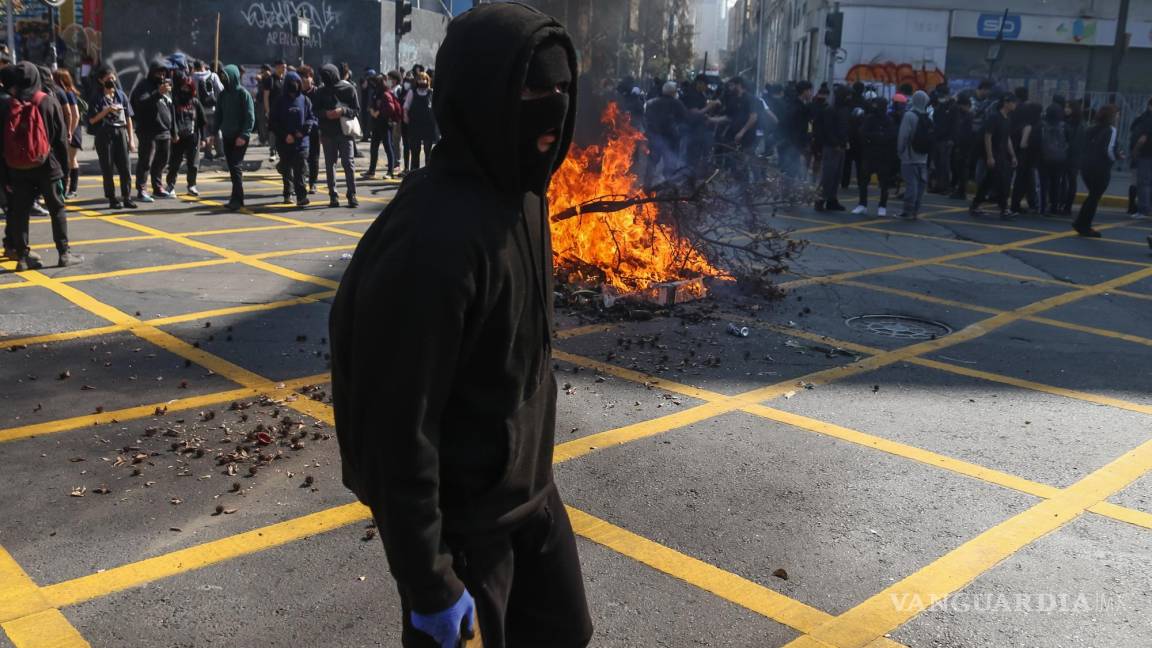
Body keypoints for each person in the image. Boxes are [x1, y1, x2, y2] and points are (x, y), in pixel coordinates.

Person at [329, 5, 593, 647]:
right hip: (463, 532)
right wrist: (429, 580)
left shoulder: (527, 195)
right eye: (534, 89)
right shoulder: (432, 239)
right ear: (483, 92)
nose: (552, 108)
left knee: (567, 634)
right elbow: (396, 424)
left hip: (532, 501)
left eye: (562, 90)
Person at [0, 62, 81, 270]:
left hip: (18, 167)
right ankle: (64, 253)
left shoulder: (8, 105)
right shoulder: (47, 101)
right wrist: (64, 171)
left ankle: (22, 256)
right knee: (57, 209)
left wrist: (6, 175)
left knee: (20, 212)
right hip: (48, 164)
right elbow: (61, 140)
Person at [87, 66, 137, 210]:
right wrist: (107, 110)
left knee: (125, 167)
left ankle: (126, 196)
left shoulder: (121, 95)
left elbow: (128, 118)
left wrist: (131, 139)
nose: (112, 81)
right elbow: (92, 120)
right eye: (108, 79)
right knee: (107, 168)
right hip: (104, 134)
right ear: (101, 80)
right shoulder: (96, 97)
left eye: (113, 78)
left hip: (120, 132)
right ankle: (112, 198)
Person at [316, 63, 360, 208]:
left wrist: (342, 111)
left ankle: (351, 194)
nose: (325, 79)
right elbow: (315, 110)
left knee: (348, 163)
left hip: (345, 132)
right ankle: (333, 195)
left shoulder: (348, 88)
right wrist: (325, 114)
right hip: (328, 133)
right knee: (330, 165)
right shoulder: (321, 91)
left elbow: (356, 110)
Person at [269, 71, 316, 206]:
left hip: (301, 142)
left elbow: (311, 118)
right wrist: (285, 135)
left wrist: (304, 131)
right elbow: (273, 122)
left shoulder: (305, 100)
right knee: (287, 168)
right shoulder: (279, 101)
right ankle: (287, 193)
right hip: (285, 142)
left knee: (300, 169)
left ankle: (301, 196)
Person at [1074, 104, 1121, 237]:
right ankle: (1084, 225)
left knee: (1092, 196)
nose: (1118, 116)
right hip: (1100, 168)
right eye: (1117, 113)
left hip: (1086, 166)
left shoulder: (1091, 129)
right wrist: (1115, 158)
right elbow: (1109, 150)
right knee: (1094, 197)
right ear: (1112, 116)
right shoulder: (1111, 130)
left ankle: (1081, 223)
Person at [970, 93, 1018, 220]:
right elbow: (988, 137)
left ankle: (975, 204)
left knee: (988, 181)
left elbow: (1007, 139)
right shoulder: (994, 118)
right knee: (1002, 181)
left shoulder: (1008, 119)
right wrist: (990, 156)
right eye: (1013, 102)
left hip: (1002, 154)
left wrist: (1013, 155)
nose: (1015, 105)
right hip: (994, 153)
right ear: (1006, 103)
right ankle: (1004, 209)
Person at [216, 64, 255, 210]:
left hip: (240, 137)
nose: (224, 80)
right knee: (232, 168)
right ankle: (236, 197)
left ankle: (238, 199)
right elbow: (218, 114)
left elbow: (250, 117)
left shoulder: (243, 94)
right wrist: (214, 132)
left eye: (226, 77)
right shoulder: (223, 95)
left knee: (236, 166)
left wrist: (244, 135)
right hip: (227, 136)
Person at [165, 71, 205, 197]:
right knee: (174, 163)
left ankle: (192, 185)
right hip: (177, 138)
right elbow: (171, 119)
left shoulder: (195, 102)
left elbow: (202, 121)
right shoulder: (175, 101)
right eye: (183, 87)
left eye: (188, 87)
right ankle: (170, 185)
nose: (185, 89)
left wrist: (203, 138)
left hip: (193, 137)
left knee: (193, 164)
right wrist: (174, 134)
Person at [855, 94, 895, 217]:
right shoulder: (869, 118)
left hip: (883, 155)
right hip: (869, 154)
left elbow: (889, 136)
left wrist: (873, 137)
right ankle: (862, 204)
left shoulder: (888, 120)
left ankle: (882, 206)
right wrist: (877, 136)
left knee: (884, 183)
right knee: (863, 181)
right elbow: (862, 133)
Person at [642, 81, 687, 186]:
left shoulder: (650, 103)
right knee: (670, 166)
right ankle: (668, 189)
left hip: (654, 139)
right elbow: (685, 119)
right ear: (673, 92)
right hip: (671, 140)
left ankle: (646, 187)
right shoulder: (677, 103)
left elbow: (645, 119)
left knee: (651, 164)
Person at [896, 90, 931, 220]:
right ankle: (916, 210)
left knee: (911, 184)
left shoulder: (909, 115)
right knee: (921, 185)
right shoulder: (927, 116)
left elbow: (903, 136)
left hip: (909, 156)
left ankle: (907, 211)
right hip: (923, 157)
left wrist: (900, 151)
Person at [816, 85, 850, 211]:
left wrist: (845, 141)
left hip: (840, 146)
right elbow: (828, 129)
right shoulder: (830, 110)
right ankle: (820, 199)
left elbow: (845, 127)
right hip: (831, 147)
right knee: (828, 175)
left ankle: (831, 199)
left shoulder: (844, 109)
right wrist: (835, 143)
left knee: (836, 176)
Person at [363, 72, 400, 179]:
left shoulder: (385, 93)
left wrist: (376, 112)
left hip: (384, 124)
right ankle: (371, 171)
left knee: (388, 147)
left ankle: (390, 172)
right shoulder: (376, 92)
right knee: (373, 147)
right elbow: (372, 105)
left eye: (374, 82)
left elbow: (389, 108)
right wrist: (372, 110)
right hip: (376, 124)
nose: (372, 84)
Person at [52, 69, 82, 198]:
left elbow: (75, 115)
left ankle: (72, 189)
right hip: (66, 130)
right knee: (64, 160)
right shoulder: (63, 93)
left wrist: (70, 131)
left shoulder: (69, 94)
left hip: (71, 131)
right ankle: (65, 188)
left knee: (71, 160)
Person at [1038, 103, 1069, 216]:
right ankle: (1054, 206)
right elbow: (1069, 141)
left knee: (1043, 183)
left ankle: (1042, 207)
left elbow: (1037, 141)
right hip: (1060, 159)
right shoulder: (1064, 126)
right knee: (1056, 183)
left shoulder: (1042, 125)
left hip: (1044, 158)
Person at [403, 71, 436, 173]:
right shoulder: (412, 92)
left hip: (428, 126)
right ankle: (414, 172)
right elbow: (406, 107)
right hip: (415, 125)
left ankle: (428, 172)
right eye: (420, 79)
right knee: (415, 151)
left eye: (424, 79)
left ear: (428, 80)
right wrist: (405, 116)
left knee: (428, 151)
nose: (422, 81)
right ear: (417, 81)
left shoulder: (431, 92)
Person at [192, 59, 223, 161]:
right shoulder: (213, 76)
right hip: (214, 109)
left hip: (200, 110)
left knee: (205, 133)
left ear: (195, 68)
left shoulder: (193, 78)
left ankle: (208, 154)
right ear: (204, 66)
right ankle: (220, 152)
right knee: (217, 131)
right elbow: (220, 90)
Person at [299, 65, 322, 194]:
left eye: (306, 78)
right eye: (301, 78)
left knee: (314, 158)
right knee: (300, 159)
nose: (304, 81)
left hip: (314, 131)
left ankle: (313, 182)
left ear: (311, 78)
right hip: (300, 132)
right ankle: (299, 183)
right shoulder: (297, 94)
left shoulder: (318, 92)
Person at [949, 93, 974, 200]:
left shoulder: (967, 117)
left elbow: (963, 133)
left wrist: (959, 145)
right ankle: (960, 190)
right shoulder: (965, 115)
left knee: (961, 170)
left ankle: (961, 191)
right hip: (964, 146)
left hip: (963, 147)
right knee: (959, 169)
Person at [1131, 98, 1152, 220]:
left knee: (1143, 182)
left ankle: (1143, 209)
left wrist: (1135, 150)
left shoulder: (1148, 119)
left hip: (1146, 153)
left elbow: (1143, 138)